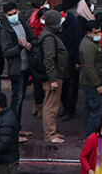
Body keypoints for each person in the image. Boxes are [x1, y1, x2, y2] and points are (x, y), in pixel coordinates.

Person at [0, 2, 34, 125]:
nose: (14, 16)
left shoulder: (24, 24)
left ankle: (17, 126)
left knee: (21, 97)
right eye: (10, 14)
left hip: (27, 66)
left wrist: (31, 44)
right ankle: (13, 126)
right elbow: (6, 52)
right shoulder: (5, 31)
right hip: (16, 68)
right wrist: (19, 47)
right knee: (17, 98)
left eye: (15, 13)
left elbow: (33, 38)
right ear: (5, 15)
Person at [39, 9, 69, 143]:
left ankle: (52, 131)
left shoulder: (50, 34)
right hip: (54, 77)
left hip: (56, 76)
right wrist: (53, 79)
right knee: (51, 106)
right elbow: (48, 59)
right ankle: (50, 134)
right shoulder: (49, 38)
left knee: (52, 105)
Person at [80, 20, 102, 140]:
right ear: (89, 33)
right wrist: (97, 84)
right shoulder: (88, 46)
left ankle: (89, 134)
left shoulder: (91, 43)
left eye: (99, 32)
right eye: (96, 32)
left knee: (90, 108)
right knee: (96, 109)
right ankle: (90, 135)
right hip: (92, 82)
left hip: (91, 81)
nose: (98, 34)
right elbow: (89, 67)